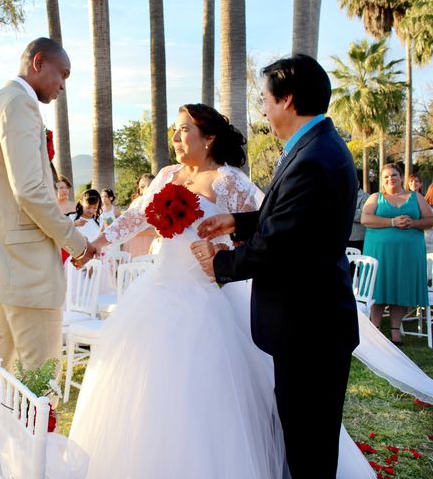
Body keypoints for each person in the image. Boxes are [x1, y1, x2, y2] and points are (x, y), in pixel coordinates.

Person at [69, 103, 375, 478]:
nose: (177, 138)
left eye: (185, 130)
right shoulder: (166, 175)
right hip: (159, 291)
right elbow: (135, 217)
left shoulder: (229, 180)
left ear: (209, 137)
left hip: (210, 295)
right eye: (176, 131)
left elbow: (269, 227)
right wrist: (97, 244)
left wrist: (226, 251)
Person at [195, 55, 359, 478]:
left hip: (310, 327)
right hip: (309, 323)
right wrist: (239, 221)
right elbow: (292, 219)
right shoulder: (314, 145)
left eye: (265, 99)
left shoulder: (313, 158)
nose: (262, 109)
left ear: (287, 100)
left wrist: (222, 263)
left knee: (308, 448)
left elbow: (282, 245)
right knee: (304, 440)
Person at [0, 38, 95, 385]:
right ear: (39, 62)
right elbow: (31, 190)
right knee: (38, 379)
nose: (63, 85)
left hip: (2, 268)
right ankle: (27, 441)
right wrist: (76, 243)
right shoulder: (20, 104)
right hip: (28, 270)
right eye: (62, 74)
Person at [361, 163, 432, 345]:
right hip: (379, 252)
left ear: (401, 177)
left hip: (407, 254)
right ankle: (375, 330)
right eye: (385, 177)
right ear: (382, 181)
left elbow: (430, 219)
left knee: (400, 290)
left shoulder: (416, 197)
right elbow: (365, 218)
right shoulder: (376, 198)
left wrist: (413, 223)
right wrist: (392, 221)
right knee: (379, 288)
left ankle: (395, 331)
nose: (390, 179)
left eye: (393, 175)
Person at [121, 173, 157, 257]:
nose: (140, 191)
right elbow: (131, 228)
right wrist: (157, 232)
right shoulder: (137, 203)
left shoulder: (159, 202)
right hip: (139, 244)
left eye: (142, 187)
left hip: (153, 243)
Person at [349, 169, 370, 251]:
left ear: (358, 183)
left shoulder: (366, 197)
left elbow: (362, 215)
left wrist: (345, 211)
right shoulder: (342, 196)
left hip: (358, 239)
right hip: (344, 237)